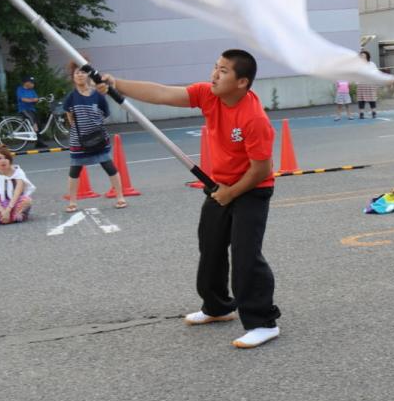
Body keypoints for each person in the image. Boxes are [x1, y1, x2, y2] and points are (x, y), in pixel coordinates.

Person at [97, 50, 282, 349]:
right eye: (215, 67)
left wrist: (231, 193)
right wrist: (117, 83)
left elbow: (262, 169)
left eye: (223, 71)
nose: (214, 75)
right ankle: (218, 306)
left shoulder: (254, 119)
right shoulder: (208, 95)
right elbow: (161, 93)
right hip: (219, 185)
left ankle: (262, 322)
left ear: (242, 82)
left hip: (251, 189)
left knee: (246, 254)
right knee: (210, 246)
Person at [62, 61, 127, 212]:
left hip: (99, 138)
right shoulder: (71, 97)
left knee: (109, 166)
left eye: (82, 72)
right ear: (73, 77)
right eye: (76, 73)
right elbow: (69, 117)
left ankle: (120, 197)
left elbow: (105, 113)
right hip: (79, 140)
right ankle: (72, 202)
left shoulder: (98, 95)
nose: (79, 75)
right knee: (74, 170)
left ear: (88, 75)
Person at [0, 144, 35, 225]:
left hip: (14, 204)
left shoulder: (18, 172)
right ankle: (11, 218)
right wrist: (3, 211)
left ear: (10, 160)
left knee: (27, 200)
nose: (3, 161)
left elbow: (17, 194)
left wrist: (8, 210)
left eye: (6, 158)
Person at [14, 74, 46, 148]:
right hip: (23, 109)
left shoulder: (32, 91)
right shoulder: (20, 89)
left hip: (32, 109)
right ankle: (36, 138)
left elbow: (36, 99)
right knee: (32, 120)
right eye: (31, 82)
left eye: (33, 83)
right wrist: (32, 100)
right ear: (26, 83)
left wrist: (37, 100)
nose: (33, 84)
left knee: (39, 122)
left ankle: (39, 142)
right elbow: (22, 99)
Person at [356, 51, 379, 119]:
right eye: (361, 56)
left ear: (367, 56)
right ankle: (361, 113)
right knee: (361, 99)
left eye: (364, 55)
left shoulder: (371, 64)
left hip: (370, 83)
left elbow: (376, 73)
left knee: (372, 99)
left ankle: (374, 112)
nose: (362, 57)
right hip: (361, 84)